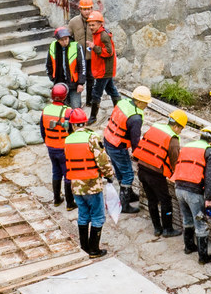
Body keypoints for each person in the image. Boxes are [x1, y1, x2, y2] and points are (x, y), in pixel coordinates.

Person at [64, 108, 112, 257]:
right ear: (85, 122)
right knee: (98, 217)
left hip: (76, 185)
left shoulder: (68, 140)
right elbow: (102, 160)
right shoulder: (92, 137)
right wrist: (109, 175)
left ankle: (84, 247)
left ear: (72, 125)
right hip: (92, 184)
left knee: (83, 215)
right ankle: (94, 250)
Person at [132, 108, 186, 238]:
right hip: (155, 174)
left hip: (142, 169)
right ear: (177, 127)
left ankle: (157, 228)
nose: (180, 131)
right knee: (166, 201)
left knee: (152, 199)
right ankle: (167, 229)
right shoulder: (172, 139)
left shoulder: (155, 127)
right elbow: (175, 159)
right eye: (181, 129)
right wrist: (178, 175)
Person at [171, 126, 211, 265]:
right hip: (194, 192)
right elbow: (209, 177)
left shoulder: (188, 146)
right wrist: (208, 199)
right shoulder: (209, 151)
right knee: (201, 224)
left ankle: (189, 247)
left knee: (187, 219)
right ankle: (203, 257)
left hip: (179, 188)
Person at [102, 85, 151, 214]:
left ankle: (128, 193)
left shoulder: (123, 102)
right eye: (145, 103)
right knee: (128, 174)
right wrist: (138, 156)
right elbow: (135, 141)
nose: (146, 105)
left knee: (119, 170)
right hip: (118, 146)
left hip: (108, 139)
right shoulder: (135, 118)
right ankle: (124, 204)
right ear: (139, 102)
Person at [41, 84, 75, 210]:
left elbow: (42, 130)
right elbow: (72, 130)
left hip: (51, 146)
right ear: (65, 96)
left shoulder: (46, 110)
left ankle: (56, 199)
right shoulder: (68, 111)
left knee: (56, 171)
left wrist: (48, 141)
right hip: (64, 147)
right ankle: (70, 203)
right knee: (67, 174)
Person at [86, 10, 120, 123]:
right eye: (89, 24)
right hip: (103, 68)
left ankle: (93, 117)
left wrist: (94, 47)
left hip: (104, 70)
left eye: (93, 25)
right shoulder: (97, 33)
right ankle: (120, 114)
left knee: (96, 93)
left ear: (100, 24)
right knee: (112, 90)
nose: (91, 27)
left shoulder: (103, 35)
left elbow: (109, 52)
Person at [46, 26, 85, 109]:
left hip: (74, 83)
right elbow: (48, 64)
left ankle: (76, 121)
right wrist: (53, 78)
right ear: (57, 40)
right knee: (63, 108)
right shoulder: (53, 47)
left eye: (66, 39)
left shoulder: (76, 46)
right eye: (62, 40)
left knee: (76, 107)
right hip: (59, 84)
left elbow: (82, 66)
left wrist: (81, 83)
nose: (64, 42)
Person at [68, 0, 96, 107]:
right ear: (80, 9)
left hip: (91, 56)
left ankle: (89, 100)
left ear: (92, 9)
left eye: (89, 9)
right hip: (78, 57)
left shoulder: (96, 21)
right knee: (76, 79)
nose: (87, 11)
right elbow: (69, 37)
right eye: (84, 9)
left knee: (91, 79)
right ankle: (75, 101)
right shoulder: (73, 22)